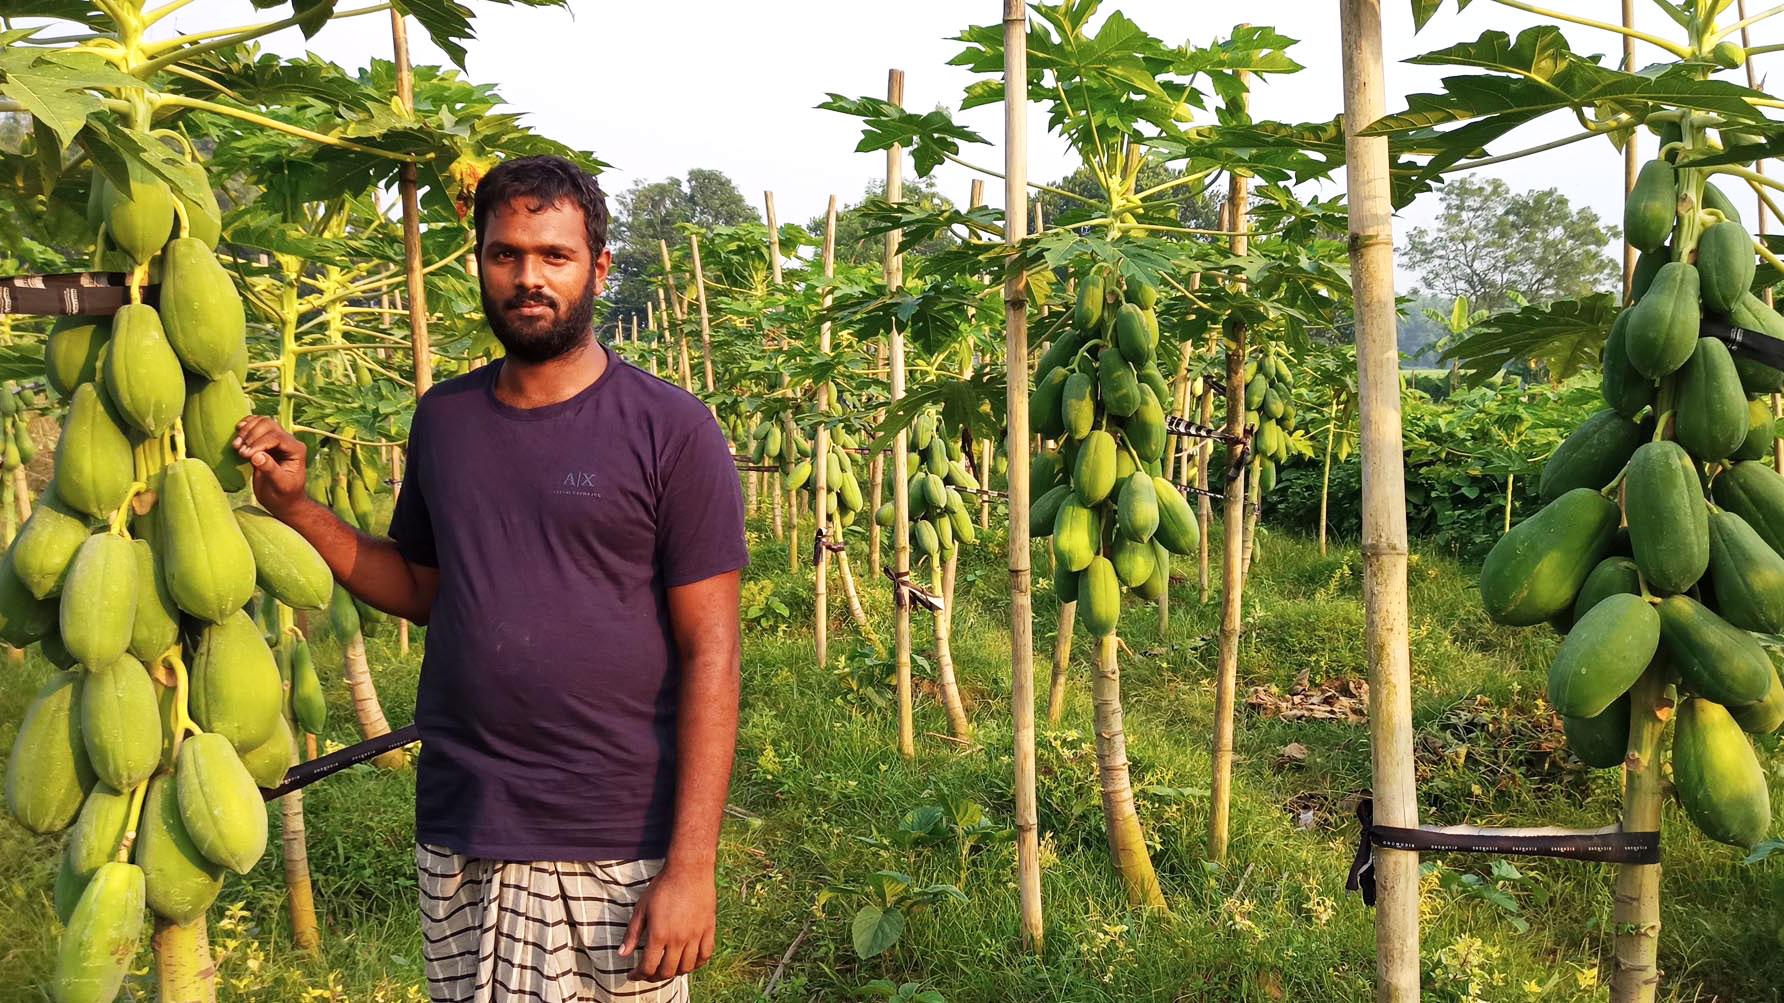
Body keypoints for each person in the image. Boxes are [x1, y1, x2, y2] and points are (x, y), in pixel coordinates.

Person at [232, 154, 747, 1003]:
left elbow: (714, 654)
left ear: (599, 268)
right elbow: (424, 588)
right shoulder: (444, 418)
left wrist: (692, 866)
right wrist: (297, 509)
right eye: (506, 254)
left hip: (610, 833)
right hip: (462, 820)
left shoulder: (671, 429)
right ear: (478, 262)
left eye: (555, 254)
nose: (528, 277)